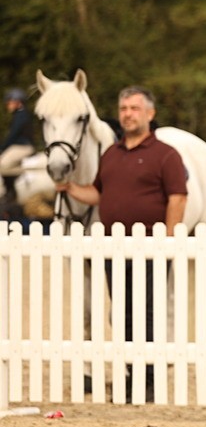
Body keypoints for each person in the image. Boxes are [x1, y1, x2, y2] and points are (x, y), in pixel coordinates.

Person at [56, 86, 187, 400]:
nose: (128, 114)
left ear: (150, 114)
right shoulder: (111, 155)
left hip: (152, 249)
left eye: (134, 108)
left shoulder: (165, 155)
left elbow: (178, 197)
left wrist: (168, 239)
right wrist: (71, 188)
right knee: (123, 314)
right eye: (124, 108)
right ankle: (131, 377)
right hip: (114, 249)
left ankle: (151, 381)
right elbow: (98, 194)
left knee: (149, 314)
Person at [1, 87, 35, 216]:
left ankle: (10, 192)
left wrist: (3, 148)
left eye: (10, 101)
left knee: (2, 164)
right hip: (19, 146)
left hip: (24, 147)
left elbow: (13, 135)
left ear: (17, 101)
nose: (7, 104)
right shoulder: (19, 115)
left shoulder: (22, 115)